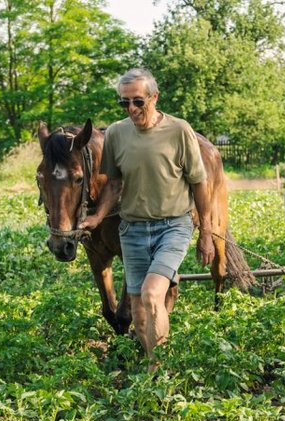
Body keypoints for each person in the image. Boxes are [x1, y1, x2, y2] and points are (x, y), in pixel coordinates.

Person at [79, 68, 215, 372]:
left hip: (173, 226)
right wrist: (98, 216)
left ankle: (159, 371)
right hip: (133, 229)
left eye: (138, 102)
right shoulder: (116, 133)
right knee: (139, 313)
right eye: (124, 103)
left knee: (154, 294)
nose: (131, 109)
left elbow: (199, 183)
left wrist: (205, 232)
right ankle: (153, 360)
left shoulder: (179, 130)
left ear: (154, 98)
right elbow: (113, 184)